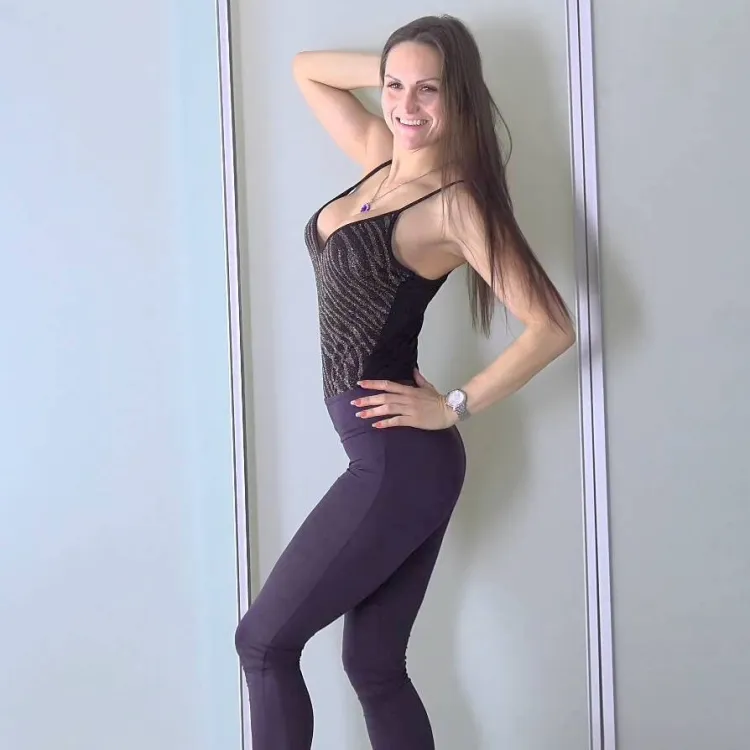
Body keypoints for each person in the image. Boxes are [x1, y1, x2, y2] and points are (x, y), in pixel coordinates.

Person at [234, 14, 576, 750]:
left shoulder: (454, 203)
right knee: (375, 666)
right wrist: (400, 71)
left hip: (398, 460)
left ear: (460, 96)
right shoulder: (380, 156)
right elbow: (306, 68)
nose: (405, 105)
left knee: (263, 643)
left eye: (430, 90)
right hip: (392, 460)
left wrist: (454, 405)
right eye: (395, 87)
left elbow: (552, 326)